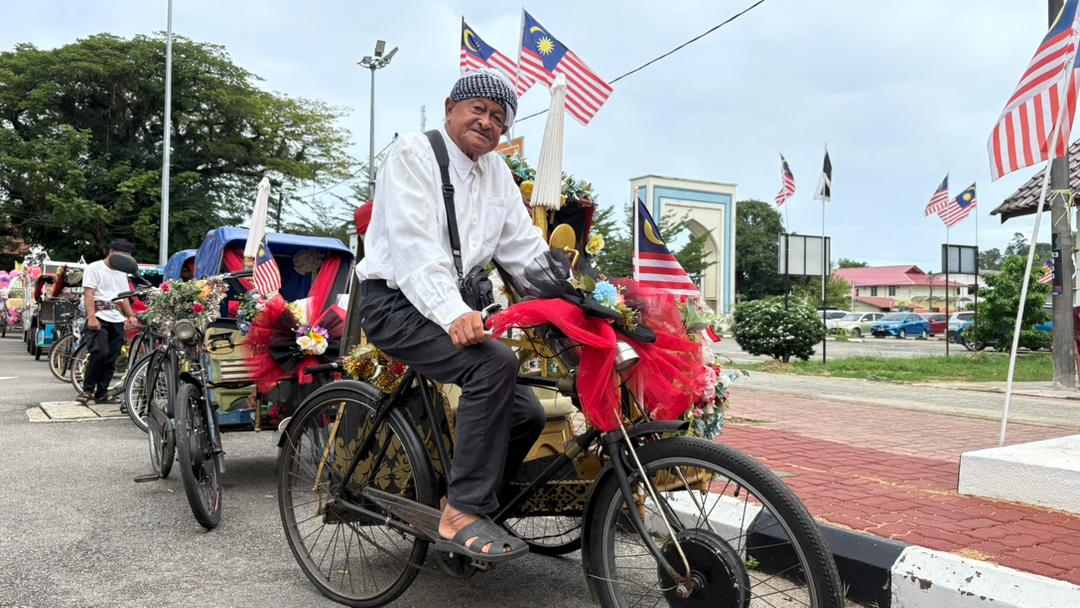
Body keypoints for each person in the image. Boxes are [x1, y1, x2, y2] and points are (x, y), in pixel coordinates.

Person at [356, 69, 549, 561]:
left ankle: (459, 497)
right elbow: (415, 246)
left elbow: (524, 249)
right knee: (493, 365)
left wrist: (577, 298)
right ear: (450, 108)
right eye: (478, 109)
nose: (487, 123)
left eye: (498, 118)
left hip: (455, 304)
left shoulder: (496, 172)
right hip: (396, 301)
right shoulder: (413, 154)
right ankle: (462, 510)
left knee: (527, 413)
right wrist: (451, 312)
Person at [77, 239, 138, 405]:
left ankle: (102, 393)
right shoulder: (94, 268)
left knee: (112, 356)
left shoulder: (122, 272)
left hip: (116, 317)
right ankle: (87, 390)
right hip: (99, 315)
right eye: (122, 256)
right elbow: (89, 293)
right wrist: (91, 317)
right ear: (111, 252)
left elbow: (123, 296)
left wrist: (131, 315)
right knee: (100, 353)